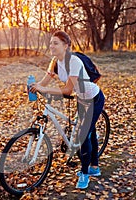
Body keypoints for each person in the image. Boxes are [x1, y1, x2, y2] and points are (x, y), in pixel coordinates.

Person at [29, 30, 105, 189]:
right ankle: (95, 167)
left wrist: (45, 90)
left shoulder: (74, 61)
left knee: (84, 135)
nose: (51, 46)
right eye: (51, 43)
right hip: (81, 99)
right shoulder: (54, 62)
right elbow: (44, 83)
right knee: (88, 131)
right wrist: (35, 87)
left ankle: (85, 174)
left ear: (66, 46)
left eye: (55, 43)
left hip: (93, 98)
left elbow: (67, 90)